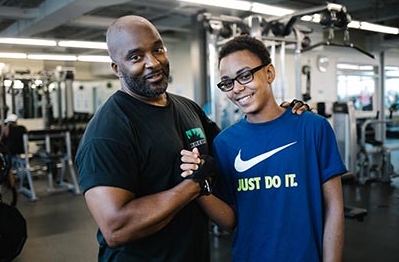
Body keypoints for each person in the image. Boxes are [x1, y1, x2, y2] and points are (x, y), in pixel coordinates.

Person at [74, 15, 310, 261]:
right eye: (136, 57)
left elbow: (237, 150)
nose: (153, 62)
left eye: (158, 49)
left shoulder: (187, 108)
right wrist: (196, 183)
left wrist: (279, 118)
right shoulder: (107, 132)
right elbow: (116, 228)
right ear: (116, 68)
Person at [180, 35, 346, 261]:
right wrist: (197, 186)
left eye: (245, 75)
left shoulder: (313, 128)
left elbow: (334, 207)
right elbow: (231, 220)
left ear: (269, 73)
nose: (237, 88)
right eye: (228, 82)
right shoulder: (225, 143)